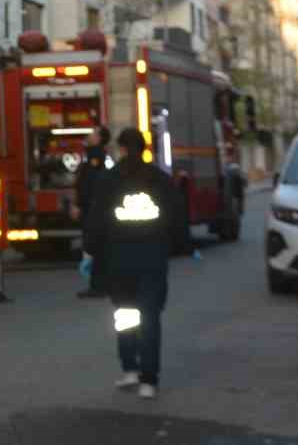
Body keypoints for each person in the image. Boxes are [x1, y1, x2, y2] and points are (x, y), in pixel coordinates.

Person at [92, 127, 173, 399]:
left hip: (120, 260)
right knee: (150, 317)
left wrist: (91, 251)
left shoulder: (109, 180)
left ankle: (130, 369)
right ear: (145, 149)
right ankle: (149, 380)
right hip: (152, 259)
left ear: (123, 149)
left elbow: (97, 220)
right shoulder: (161, 180)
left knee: (126, 315)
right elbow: (175, 217)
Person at [74, 127, 113, 298]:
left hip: (93, 209)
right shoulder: (93, 155)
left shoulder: (95, 157)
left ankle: (98, 286)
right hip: (93, 208)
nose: (89, 135)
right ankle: (99, 284)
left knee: (95, 247)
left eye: (94, 134)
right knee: (96, 246)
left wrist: (79, 204)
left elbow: (88, 185)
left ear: (99, 139)